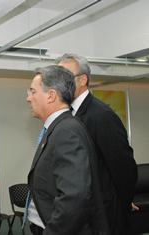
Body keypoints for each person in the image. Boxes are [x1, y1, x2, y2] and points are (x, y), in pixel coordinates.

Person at [56, 53, 138, 234]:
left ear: (83, 79)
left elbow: (124, 167)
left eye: (66, 76)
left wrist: (123, 203)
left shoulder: (101, 115)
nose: (60, 83)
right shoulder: (69, 115)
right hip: (83, 214)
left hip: (105, 215)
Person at [25, 65, 110, 235]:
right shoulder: (59, 128)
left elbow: (74, 198)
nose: (28, 98)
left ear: (51, 95)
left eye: (32, 92)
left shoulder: (66, 132)